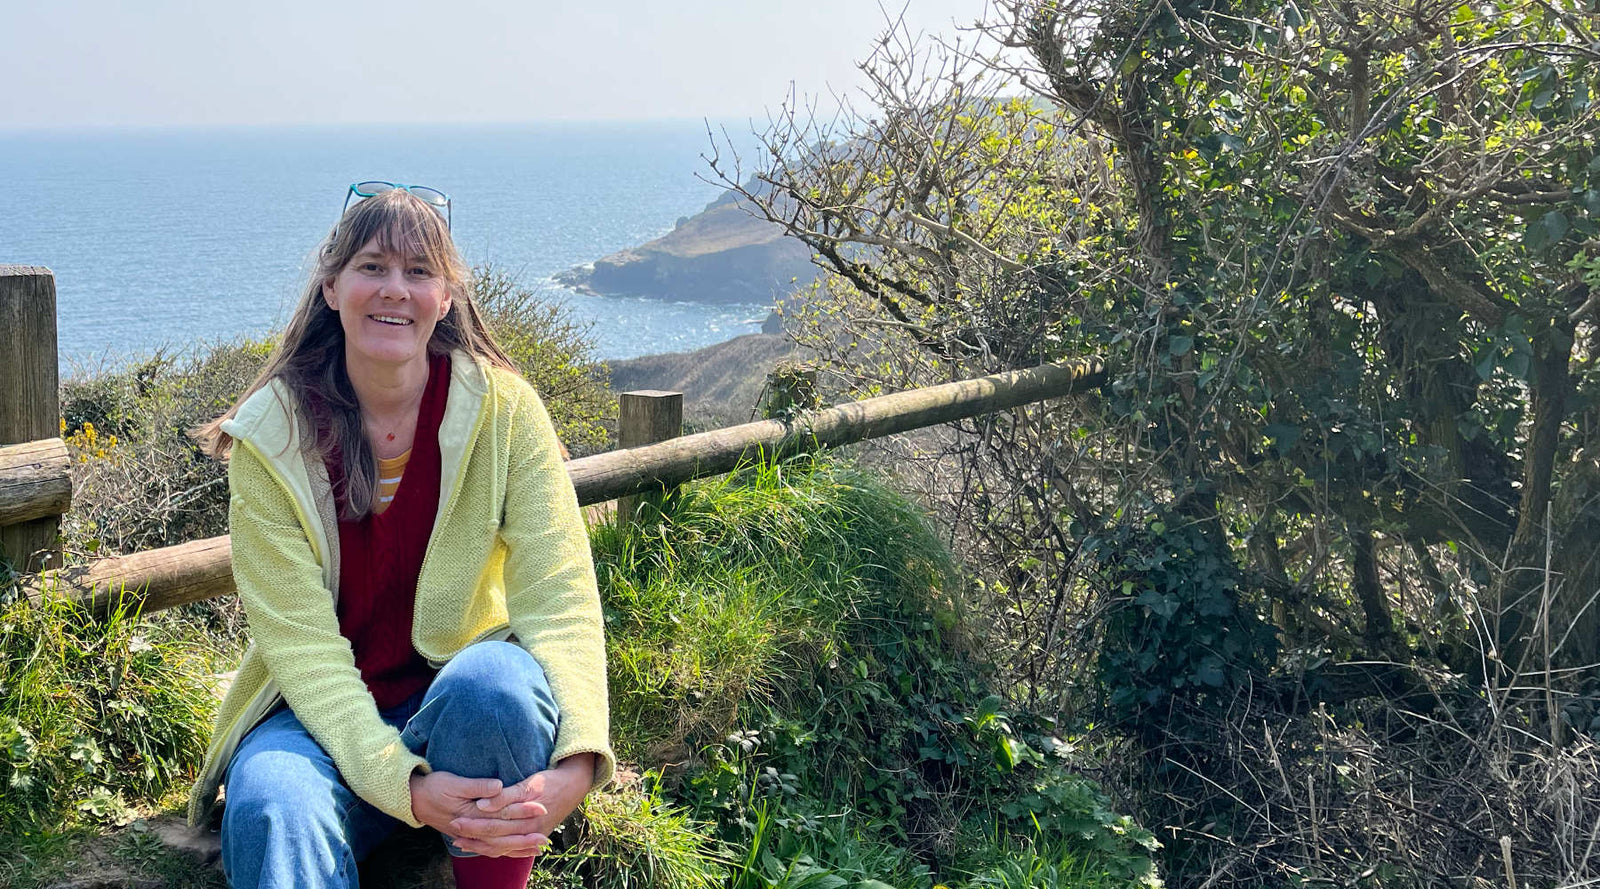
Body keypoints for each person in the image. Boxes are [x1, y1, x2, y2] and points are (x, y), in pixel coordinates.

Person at [186, 183, 614, 889]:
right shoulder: (271, 436)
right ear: (331, 287)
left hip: (455, 705)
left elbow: (558, 595)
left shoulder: (506, 411)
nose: (395, 288)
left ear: (446, 297)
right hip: (315, 719)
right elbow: (303, 649)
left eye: (419, 271)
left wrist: (579, 759)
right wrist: (403, 785)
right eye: (372, 266)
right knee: (272, 804)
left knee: (496, 686)